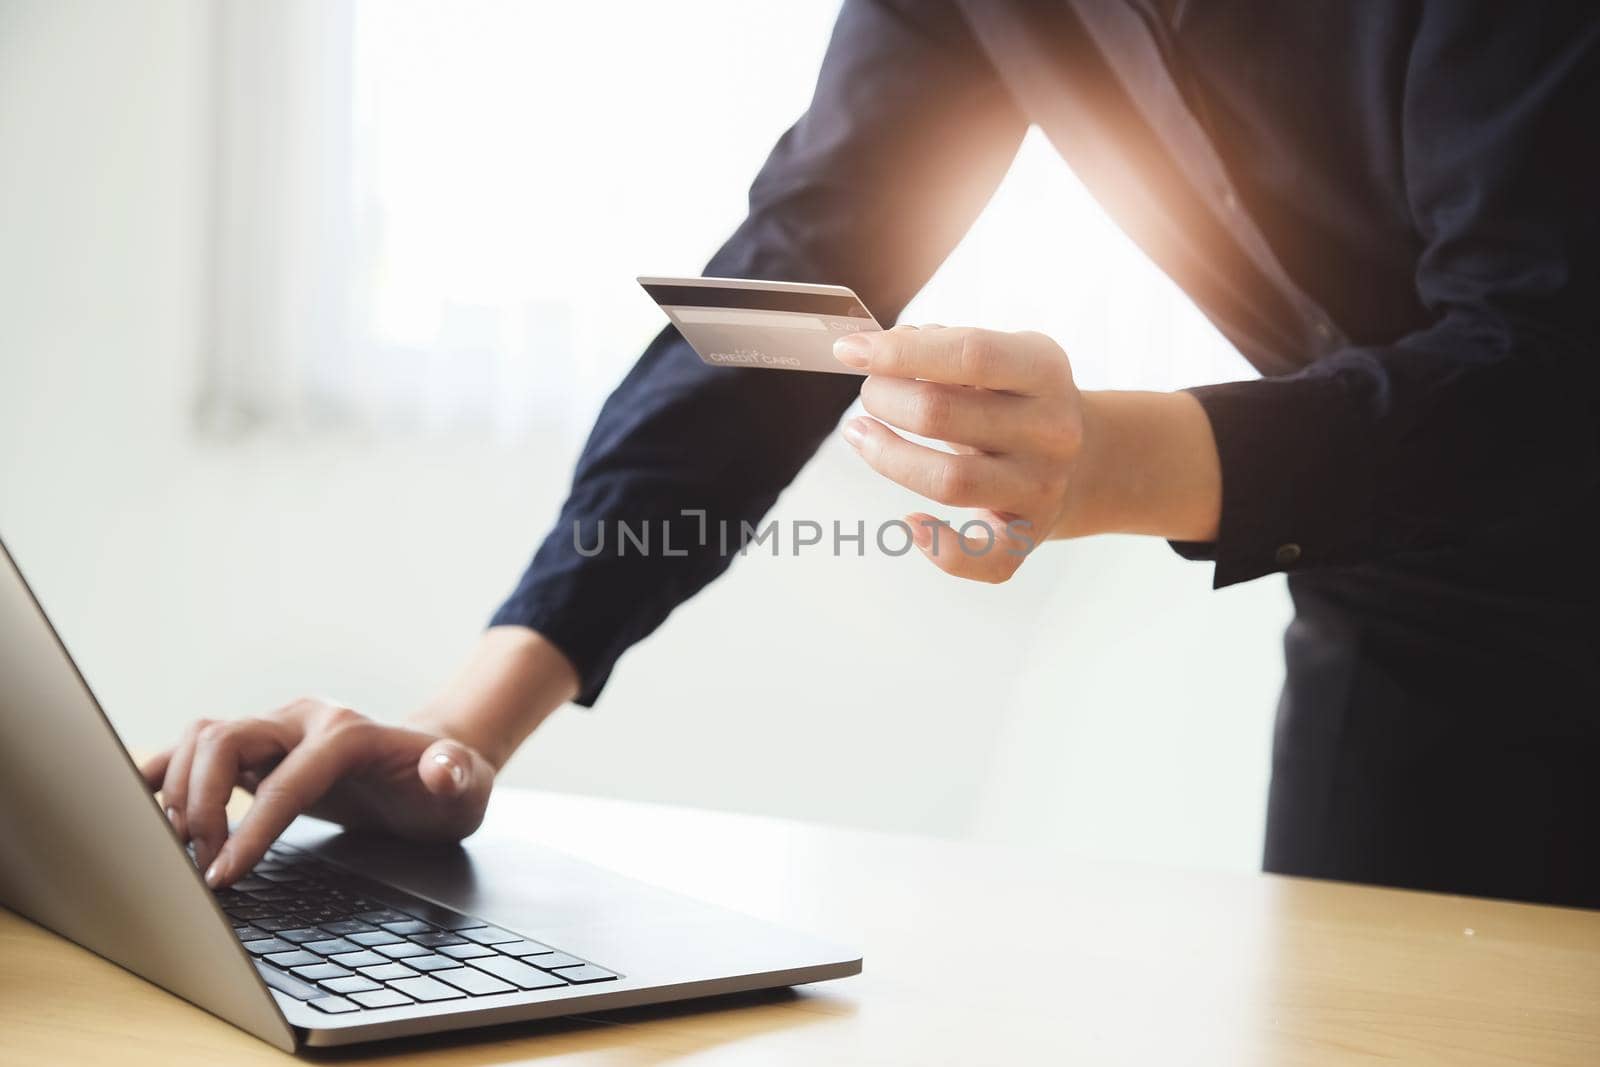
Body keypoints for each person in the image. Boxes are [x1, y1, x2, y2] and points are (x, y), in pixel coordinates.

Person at [144, 1, 1599, 908]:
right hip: (1413, 628)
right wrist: (462, 732)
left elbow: (1551, 354)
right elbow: (787, 289)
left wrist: (1120, 461)